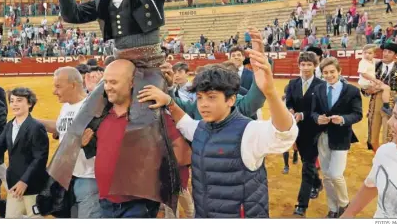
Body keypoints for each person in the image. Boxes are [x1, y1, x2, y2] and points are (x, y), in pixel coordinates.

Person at [50, 0, 204, 207]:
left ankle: (166, 189)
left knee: (148, 119)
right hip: (119, 66)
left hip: (149, 66)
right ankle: (61, 186)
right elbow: (71, 15)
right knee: (84, 116)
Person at [138, 31, 298, 218]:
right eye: (200, 97)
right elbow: (185, 122)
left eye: (212, 97)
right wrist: (169, 101)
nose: (203, 104)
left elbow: (284, 134)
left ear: (231, 100)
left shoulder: (249, 131)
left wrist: (270, 92)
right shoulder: (201, 128)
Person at [85, 60, 191, 218]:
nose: (107, 87)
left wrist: (148, 170)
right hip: (106, 201)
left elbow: (183, 154)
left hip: (139, 204)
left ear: (131, 83)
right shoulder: (100, 116)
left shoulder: (151, 114)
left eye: (113, 82)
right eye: (105, 82)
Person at [342, 89, 397, 219]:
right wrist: (348, 214)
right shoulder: (386, 152)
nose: (389, 123)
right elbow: (372, 184)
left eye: (396, 117)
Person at [36, 67, 102, 218]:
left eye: (58, 86)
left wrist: (95, 90)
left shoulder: (92, 106)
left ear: (73, 85)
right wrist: (32, 121)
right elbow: (60, 128)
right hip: (69, 177)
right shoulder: (66, 106)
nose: (54, 91)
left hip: (89, 177)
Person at [0, 88, 49, 218]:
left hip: (32, 185)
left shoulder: (36, 127)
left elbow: (39, 158)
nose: (14, 104)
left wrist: (24, 181)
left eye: (19, 100)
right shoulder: (10, 125)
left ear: (30, 104)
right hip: (14, 184)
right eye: (12, 101)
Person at [312, 57, 363, 218]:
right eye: (325, 72)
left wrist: (343, 119)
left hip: (341, 137)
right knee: (326, 176)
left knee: (335, 174)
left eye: (332, 72)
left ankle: (344, 204)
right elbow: (313, 111)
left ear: (339, 72)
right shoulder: (319, 89)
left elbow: (357, 114)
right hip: (323, 136)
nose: (329, 75)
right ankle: (333, 208)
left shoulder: (352, 91)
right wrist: (317, 118)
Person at [285, 52, 324, 217]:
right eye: (303, 64)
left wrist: (303, 114)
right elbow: (289, 101)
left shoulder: (321, 85)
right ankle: (317, 182)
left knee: (307, 165)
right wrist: (290, 109)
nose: (306, 68)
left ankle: (302, 204)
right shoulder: (293, 83)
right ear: (299, 65)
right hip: (297, 130)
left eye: (309, 64)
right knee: (305, 160)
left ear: (315, 66)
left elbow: (321, 108)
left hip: (314, 130)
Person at [358, 44, 391, 115]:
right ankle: (386, 107)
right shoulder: (363, 62)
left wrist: (387, 60)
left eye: (370, 53)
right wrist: (375, 80)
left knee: (377, 93)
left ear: (374, 54)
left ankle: (370, 110)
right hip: (366, 83)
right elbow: (363, 74)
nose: (367, 55)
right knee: (386, 88)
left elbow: (380, 60)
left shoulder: (372, 60)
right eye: (365, 53)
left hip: (369, 82)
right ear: (362, 53)